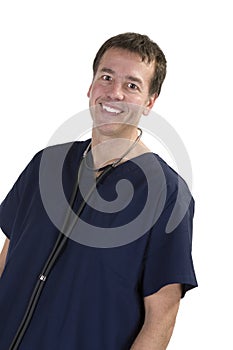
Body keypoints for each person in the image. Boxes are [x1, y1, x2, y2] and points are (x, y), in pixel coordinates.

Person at [0, 32, 198, 349]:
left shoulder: (167, 193)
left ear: (149, 102)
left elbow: (161, 316)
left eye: (132, 85)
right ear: (91, 87)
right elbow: (8, 257)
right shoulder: (45, 165)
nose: (114, 93)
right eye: (106, 77)